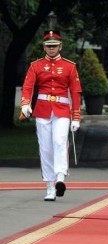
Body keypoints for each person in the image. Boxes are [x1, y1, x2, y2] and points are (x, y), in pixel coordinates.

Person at [20, 30, 82, 201]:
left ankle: (60, 178)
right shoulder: (36, 65)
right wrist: (25, 104)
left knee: (59, 140)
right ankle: (49, 186)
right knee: (45, 147)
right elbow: (27, 86)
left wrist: (76, 116)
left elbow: (75, 92)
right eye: (49, 46)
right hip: (42, 109)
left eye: (54, 46)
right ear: (44, 47)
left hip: (62, 109)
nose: (52, 49)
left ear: (60, 46)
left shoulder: (70, 66)